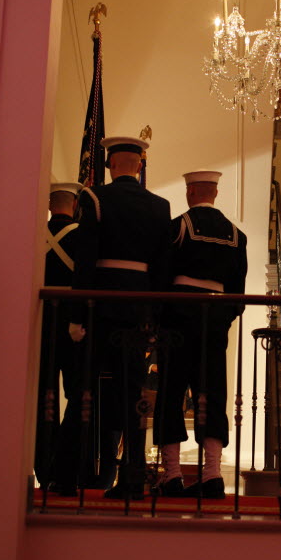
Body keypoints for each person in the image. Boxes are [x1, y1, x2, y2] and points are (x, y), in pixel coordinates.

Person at [68, 134, 171, 500]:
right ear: (139, 166)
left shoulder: (94, 198)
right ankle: (132, 477)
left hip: (101, 307)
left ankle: (70, 475)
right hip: (139, 309)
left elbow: (84, 261)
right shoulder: (160, 205)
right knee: (133, 394)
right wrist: (155, 315)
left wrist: (77, 314)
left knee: (84, 388)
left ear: (111, 165)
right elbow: (162, 267)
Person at [154, 170, 247, 499]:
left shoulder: (177, 226)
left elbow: (161, 276)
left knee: (171, 392)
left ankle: (172, 475)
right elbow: (238, 293)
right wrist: (222, 318)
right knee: (212, 393)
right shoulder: (236, 234)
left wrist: (160, 317)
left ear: (190, 192)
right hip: (215, 319)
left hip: (177, 317)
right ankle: (212, 474)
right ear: (216, 193)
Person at [36, 182, 96, 495]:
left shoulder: (35, 234)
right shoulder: (84, 235)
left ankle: (42, 468)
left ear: (50, 205)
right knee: (77, 395)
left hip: (41, 323)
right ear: (75, 206)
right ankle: (68, 469)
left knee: (42, 399)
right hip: (75, 323)